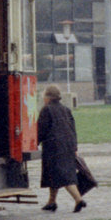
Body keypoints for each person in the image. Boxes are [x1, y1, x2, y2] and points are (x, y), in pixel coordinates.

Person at [37, 84, 86, 213]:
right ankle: (51, 202)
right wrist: (74, 146)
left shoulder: (46, 110)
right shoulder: (66, 109)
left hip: (54, 148)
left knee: (64, 176)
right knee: (54, 175)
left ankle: (78, 199)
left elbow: (41, 129)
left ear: (48, 97)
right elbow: (72, 129)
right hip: (68, 145)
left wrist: (34, 142)